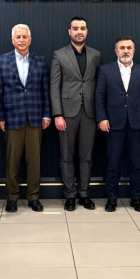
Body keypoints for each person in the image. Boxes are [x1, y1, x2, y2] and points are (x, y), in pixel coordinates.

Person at [0, 24, 51, 213]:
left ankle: (33, 197)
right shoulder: (0, 61)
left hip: (35, 117)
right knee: (12, 161)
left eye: (25, 37)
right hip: (11, 118)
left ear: (30, 40)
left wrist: (46, 114)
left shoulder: (40, 61)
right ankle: (12, 197)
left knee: (34, 161)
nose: (21, 40)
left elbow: (45, 90)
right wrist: (0, 117)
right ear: (12, 40)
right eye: (18, 37)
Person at [95, 37, 140, 212]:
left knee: (136, 164)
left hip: (136, 124)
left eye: (129, 48)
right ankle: (112, 198)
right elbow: (99, 96)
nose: (125, 51)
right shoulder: (105, 70)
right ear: (116, 51)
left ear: (134, 51)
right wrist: (101, 118)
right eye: (122, 48)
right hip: (113, 124)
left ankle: (136, 198)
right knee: (113, 163)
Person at [50, 17, 101, 211]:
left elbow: (99, 86)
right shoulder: (59, 54)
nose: (79, 31)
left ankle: (84, 194)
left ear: (87, 31)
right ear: (69, 31)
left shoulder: (95, 55)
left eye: (83, 28)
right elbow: (54, 86)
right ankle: (70, 194)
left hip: (89, 112)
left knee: (87, 156)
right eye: (75, 28)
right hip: (66, 113)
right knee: (66, 155)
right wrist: (57, 114)